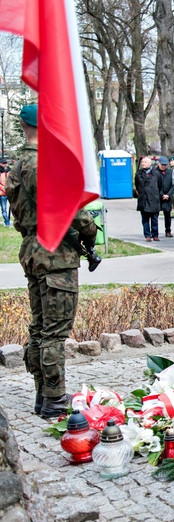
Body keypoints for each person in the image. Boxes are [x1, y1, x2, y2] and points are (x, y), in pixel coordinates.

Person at [6, 103, 98, 418]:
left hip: (33, 248)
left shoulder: (17, 167)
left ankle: (42, 394)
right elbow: (72, 209)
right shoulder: (45, 164)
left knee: (39, 327)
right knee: (54, 332)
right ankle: (55, 399)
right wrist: (90, 232)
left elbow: (19, 216)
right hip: (56, 252)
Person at [135, 156, 162, 241]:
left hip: (154, 199)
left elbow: (160, 185)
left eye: (145, 162)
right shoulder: (138, 174)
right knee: (145, 219)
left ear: (150, 163)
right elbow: (137, 185)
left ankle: (155, 234)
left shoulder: (156, 173)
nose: (143, 164)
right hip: (143, 198)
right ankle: (147, 235)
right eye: (142, 162)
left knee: (154, 219)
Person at [152, 156, 174, 237]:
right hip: (157, 197)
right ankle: (154, 232)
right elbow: (154, 185)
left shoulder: (170, 172)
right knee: (155, 216)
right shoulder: (154, 172)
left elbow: (173, 185)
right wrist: (161, 195)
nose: (163, 166)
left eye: (165, 165)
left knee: (167, 215)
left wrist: (168, 195)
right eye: (162, 164)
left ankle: (168, 231)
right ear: (159, 164)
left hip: (168, 197)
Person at [0, 157, 10, 227]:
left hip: (9, 193)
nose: (5, 164)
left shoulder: (10, 171)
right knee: (4, 209)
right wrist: (2, 188)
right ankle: (7, 223)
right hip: (2, 194)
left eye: (6, 163)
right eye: (3, 163)